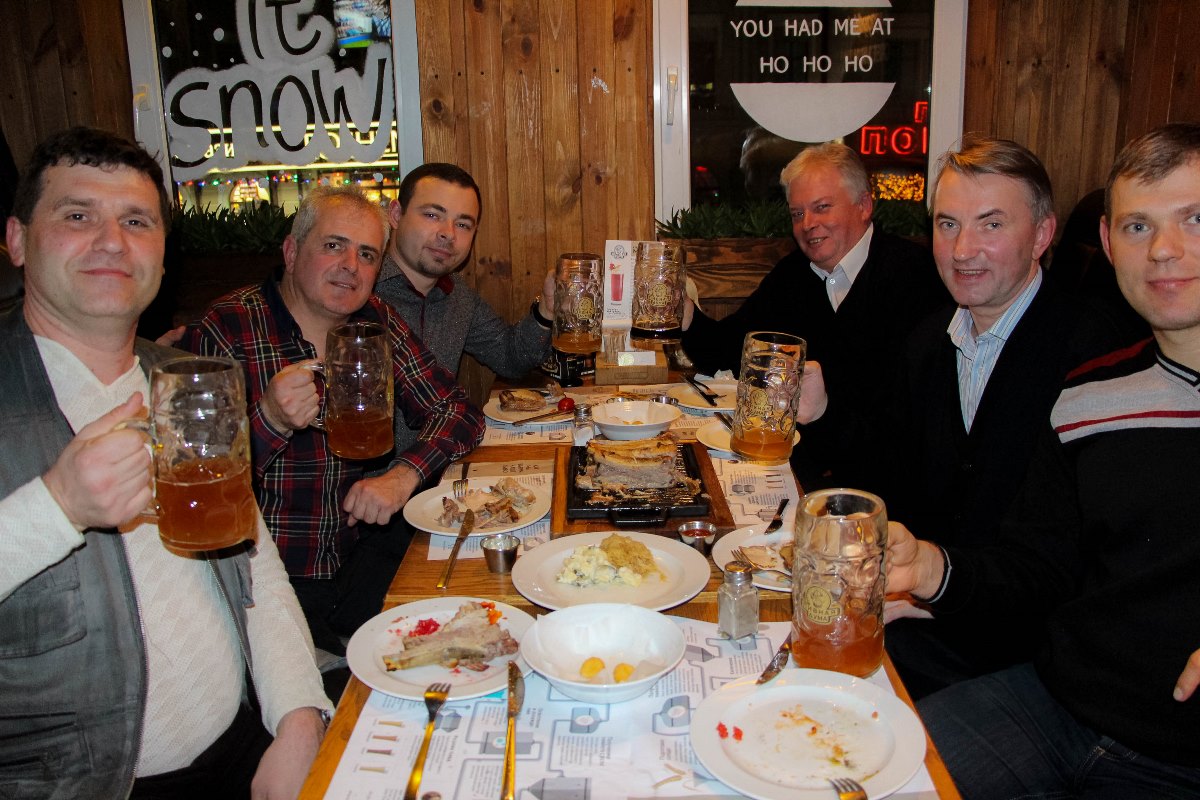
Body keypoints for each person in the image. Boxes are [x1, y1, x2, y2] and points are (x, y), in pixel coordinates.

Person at [0, 126, 331, 798]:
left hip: (241, 746)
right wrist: (55, 507)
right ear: (17, 240)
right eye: (77, 216)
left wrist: (299, 715)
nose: (111, 241)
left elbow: (252, 563)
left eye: (136, 221)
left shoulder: (187, 378)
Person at [887, 122, 1200, 797]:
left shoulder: (1081, 349)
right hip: (1056, 700)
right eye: (1139, 227)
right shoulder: (1096, 395)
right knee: (869, 772)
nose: (1165, 250)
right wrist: (929, 572)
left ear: (1043, 236)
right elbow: (1044, 562)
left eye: (1194, 219)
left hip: (1172, 751)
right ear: (1109, 243)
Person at [797, 136, 1132, 696]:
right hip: (944, 603)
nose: (962, 249)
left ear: (1042, 235)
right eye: (948, 224)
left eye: (991, 224)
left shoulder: (1094, 354)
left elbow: (1078, 562)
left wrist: (937, 585)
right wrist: (824, 413)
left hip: (1031, 651)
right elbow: (888, 470)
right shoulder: (931, 341)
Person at [182, 186, 485, 662]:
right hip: (267, 581)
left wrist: (402, 476)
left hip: (356, 558)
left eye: (367, 255)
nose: (350, 266)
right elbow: (198, 490)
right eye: (333, 245)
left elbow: (458, 411)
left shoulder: (375, 320)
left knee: (471, 617)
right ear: (291, 251)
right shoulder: (227, 327)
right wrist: (269, 419)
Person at [679, 142, 948, 487]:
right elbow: (730, 350)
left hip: (884, 484)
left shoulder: (915, 277)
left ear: (864, 206)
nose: (808, 224)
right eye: (797, 214)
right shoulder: (793, 275)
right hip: (800, 470)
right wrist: (687, 316)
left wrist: (825, 414)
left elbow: (908, 427)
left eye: (822, 207)